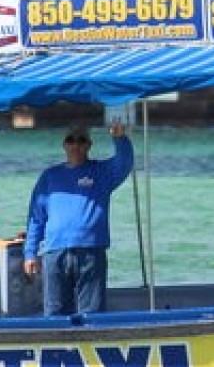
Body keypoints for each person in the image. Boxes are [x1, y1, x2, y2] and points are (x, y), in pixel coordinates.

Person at [23, 120, 134, 316]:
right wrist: (30, 253)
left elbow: (124, 163)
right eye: (71, 140)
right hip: (55, 252)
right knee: (55, 312)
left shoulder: (102, 172)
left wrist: (119, 138)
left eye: (81, 140)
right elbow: (36, 218)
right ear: (64, 145)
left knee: (92, 313)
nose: (76, 145)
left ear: (89, 145)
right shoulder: (49, 176)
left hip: (91, 252)